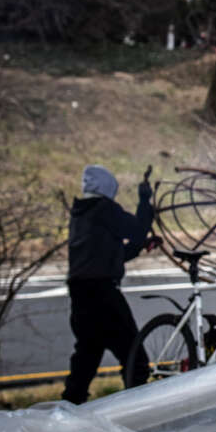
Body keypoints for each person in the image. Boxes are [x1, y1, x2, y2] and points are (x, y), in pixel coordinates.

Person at [62, 165, 155, 403]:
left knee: (85, 362)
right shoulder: (104, 209)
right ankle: (138, 414)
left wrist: (139, 246)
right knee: (136, 361)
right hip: (103, 295)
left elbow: (110, 255)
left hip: (81, 296)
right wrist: (145, 200)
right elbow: (136, 229)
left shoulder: (81, 214)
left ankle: (66, 415)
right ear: (107, 187)